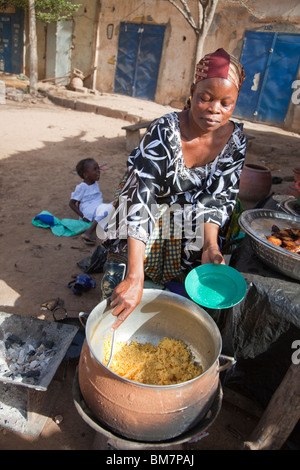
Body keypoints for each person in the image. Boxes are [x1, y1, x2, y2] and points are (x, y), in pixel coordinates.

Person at [100, 48, 246, 329]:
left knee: (197, 301)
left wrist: (211, 246)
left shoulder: (236, 140)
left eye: (226, 103)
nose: (215, 109)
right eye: (206, 98)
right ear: (192, 92)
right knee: (117, 286)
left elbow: (219, 198)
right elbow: (141, 198)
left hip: (190, 222)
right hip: (143, 215)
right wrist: (135, 276)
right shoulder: (164, 131)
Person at [69, 158, 112, 244]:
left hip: (97, 209)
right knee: (108, 208)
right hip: (88, 212)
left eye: (98, 168)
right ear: (85, 175)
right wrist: (83, 216)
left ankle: (102, 227)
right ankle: (88, 232)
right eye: (94, 169)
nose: (98, 171)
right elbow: (72, 203)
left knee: (115, 204)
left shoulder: (95, 183)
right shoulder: (82, 187)